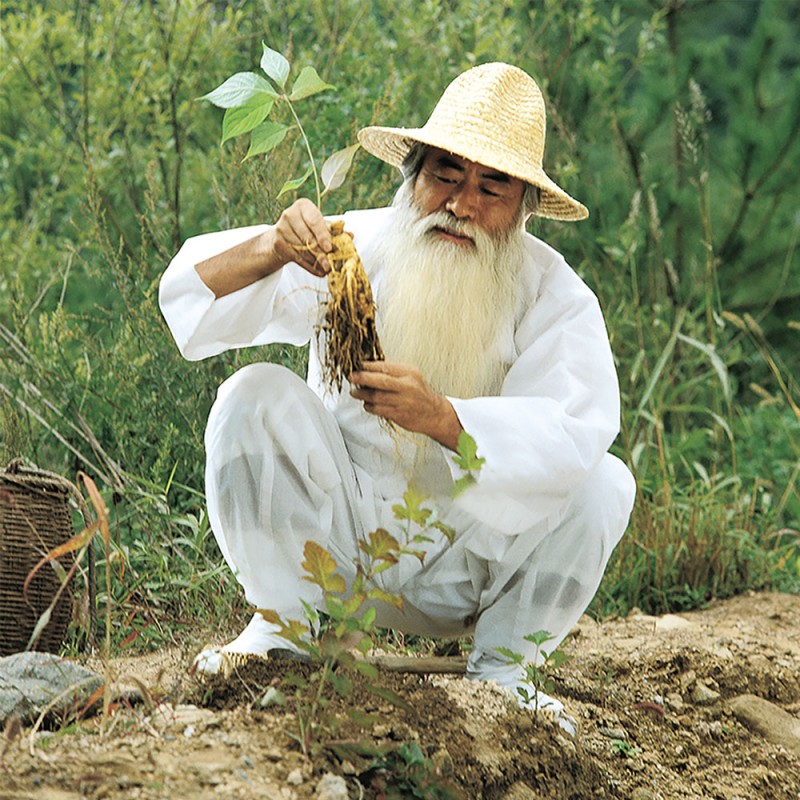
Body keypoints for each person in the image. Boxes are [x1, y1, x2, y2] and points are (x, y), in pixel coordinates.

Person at [159, 62, 636, 733]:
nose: (461, 203)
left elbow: (574, 432)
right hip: (338, 546)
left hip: (469, 567)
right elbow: (190, 302)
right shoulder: (353, 251)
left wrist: (447, 419)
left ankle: (505, 670)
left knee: (603, 481)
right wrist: (270, 245)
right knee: (251, 395)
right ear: (412, 175)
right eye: (445, 174)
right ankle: (284, 628)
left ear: (525, 208)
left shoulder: (553, 295)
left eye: (491, 187)